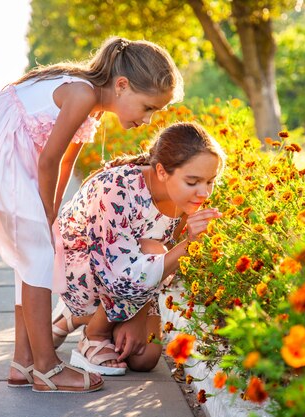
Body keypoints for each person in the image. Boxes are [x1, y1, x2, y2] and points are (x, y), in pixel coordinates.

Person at [0, 36, 183, 393]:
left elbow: (65, 161)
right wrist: (43, 212)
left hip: (5, 153)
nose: (148, 120)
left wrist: (52, 213)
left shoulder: (91, 103)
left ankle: (23, 360)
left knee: (30, 259)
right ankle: (47, 368)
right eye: (148, 107)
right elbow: (48, 159)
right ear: (121, 86)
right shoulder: (82, 93)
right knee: (38, 257)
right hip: (1, 154)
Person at [51, 122, 224, 375]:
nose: (204, 192)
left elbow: (162, 264)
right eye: (193, 181)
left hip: (133, 279)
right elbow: (118, 272)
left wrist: (138, 314)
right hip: (84, 271)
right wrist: (190, 244)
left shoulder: (185, 199)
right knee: (154, 249)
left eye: (211, 181)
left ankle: (73, 318)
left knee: (144, 358)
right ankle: (94, 332)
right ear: (162, 171)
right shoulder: (116, 188)